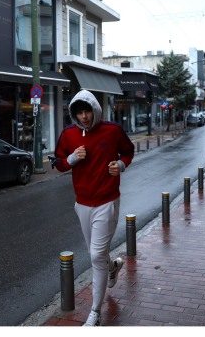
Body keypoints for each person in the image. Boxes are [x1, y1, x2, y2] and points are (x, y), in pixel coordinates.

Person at [53, 90, 135, 327]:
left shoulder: (112, 130)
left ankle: (95, 313)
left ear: (95, 109)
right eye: (79, 112)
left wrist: (120, 164)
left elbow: (128, 151)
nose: (84, 116)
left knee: (96, 256)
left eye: (87, 110)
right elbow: (58, 163)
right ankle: (114, 266)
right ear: (74, 113)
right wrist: (71, 159)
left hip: (107, 201)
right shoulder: (68, 134)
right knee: (96, 255)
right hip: (82, 203)